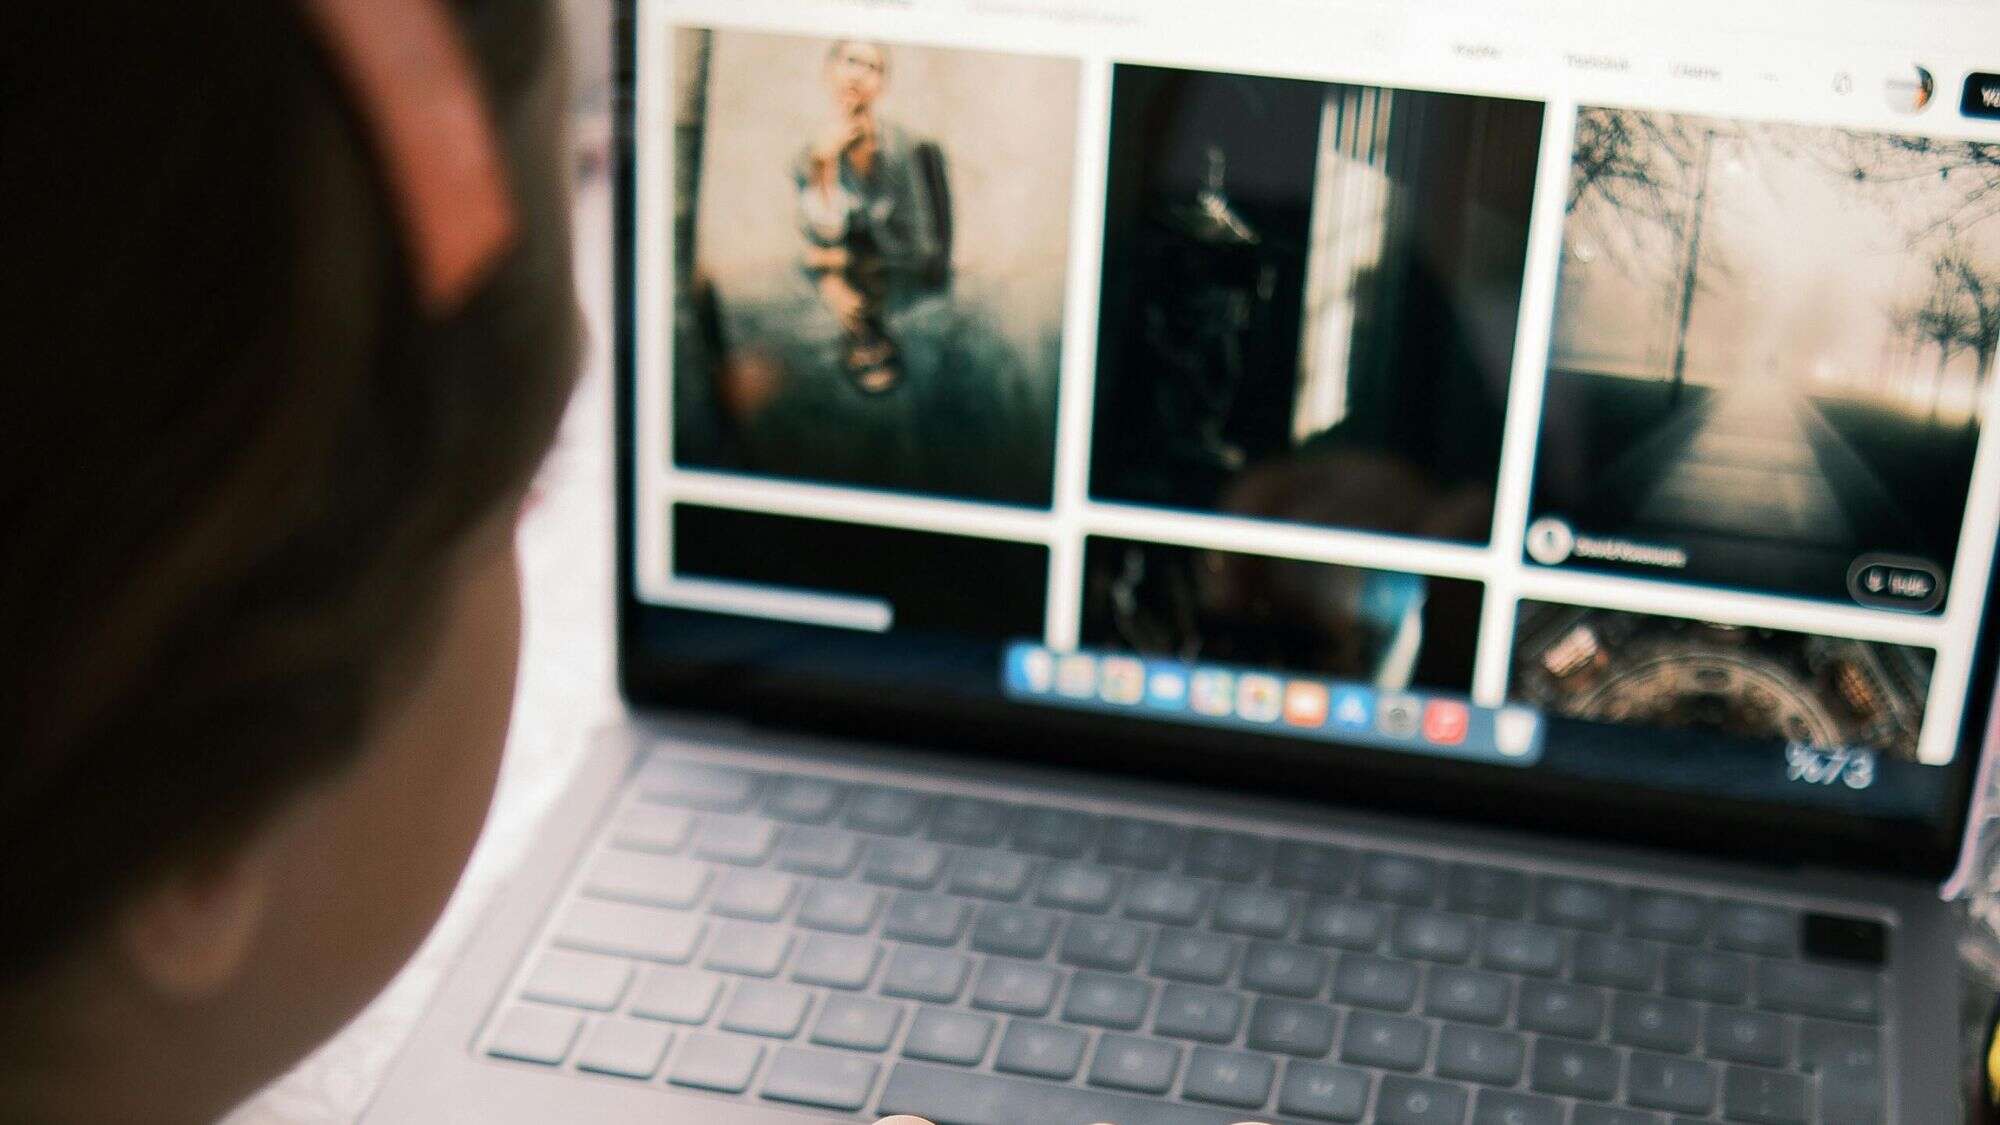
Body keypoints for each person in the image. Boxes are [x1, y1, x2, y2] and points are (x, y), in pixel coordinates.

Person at [795, 40, 950, 396]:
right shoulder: (915, 293)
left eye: (872, 68)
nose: (871, 354)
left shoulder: (905, 145)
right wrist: (823, 161)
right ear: (830, 71)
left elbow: (820, 239)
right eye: (851, 61)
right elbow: (918, 249)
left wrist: (828, 275)